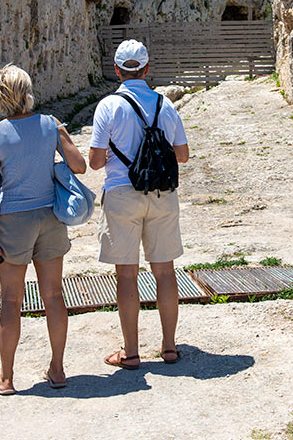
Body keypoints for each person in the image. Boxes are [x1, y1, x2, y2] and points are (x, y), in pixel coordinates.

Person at [0, 64, 86, 394]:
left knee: (11, 300)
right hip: (50, 218)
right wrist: (60, 135)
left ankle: (7, 379)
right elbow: (79, 166)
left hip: (13, 220)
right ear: (28, 92)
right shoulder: (50, 124)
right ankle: (57, 370)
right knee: (53, 295)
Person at [89, 39, 190, 369]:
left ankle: (131, 352)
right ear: (147, 69)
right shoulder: (165, 105)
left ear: (117, 70)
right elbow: (183, 154)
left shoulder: (108, 106)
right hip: (162, 194)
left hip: (121, 194)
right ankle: (170, 347)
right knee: (164, 272)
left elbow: (94, 162)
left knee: (128, 276)